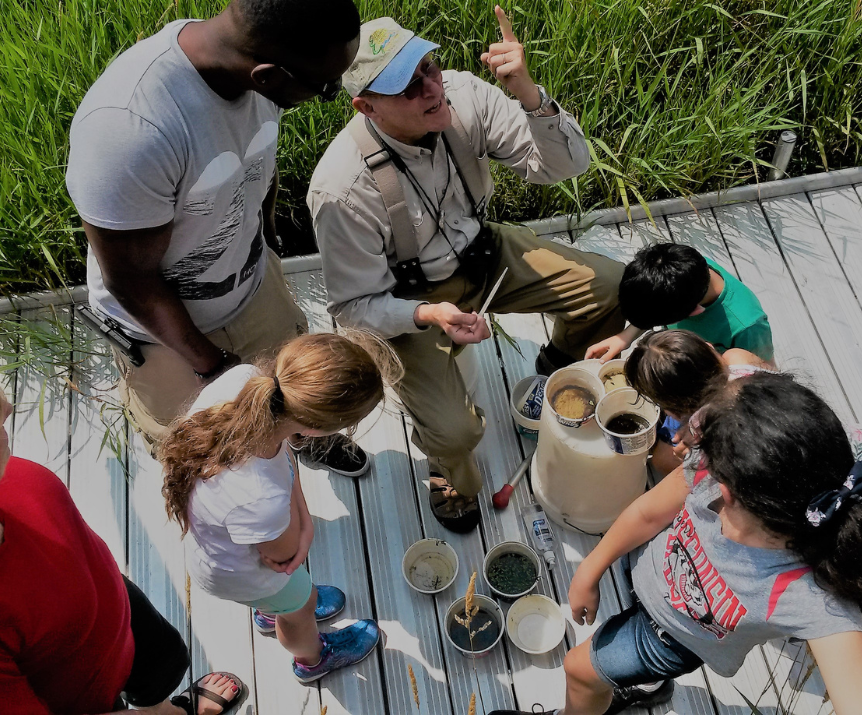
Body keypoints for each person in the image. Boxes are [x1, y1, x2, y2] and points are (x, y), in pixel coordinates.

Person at [307, 9, 625, 532]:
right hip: (408, 299)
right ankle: (451, 477)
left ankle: (559, 360)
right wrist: (430, 313)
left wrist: (531, 96)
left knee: (609, 288)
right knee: (455, 432)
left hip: (485, 252)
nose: (431, 88)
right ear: (367, 107)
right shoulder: (341, 189)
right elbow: (354, 310)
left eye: (428, 67)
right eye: (407, 88)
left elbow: (561, 168)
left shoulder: (464, 94)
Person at [66, 0, 369, 476]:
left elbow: (255, 161)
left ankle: (304, 436)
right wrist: (214, 367)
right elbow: (133, 283)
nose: (331, 92)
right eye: (327, 87)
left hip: (251, 282)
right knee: (206, 448)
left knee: (299, 389)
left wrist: (266, 240)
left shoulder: (253, 71)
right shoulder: (130, 130)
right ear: (268, 75)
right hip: (167, 335)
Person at [498, 372, 862, 715]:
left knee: (578, 670)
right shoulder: (729, 462)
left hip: (670, 639)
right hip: (652, 567)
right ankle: (648, 686)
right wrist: (590, 568)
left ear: (730, 492)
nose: (687, 451)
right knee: (622, 616)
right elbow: (648, 515)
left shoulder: (809, 595)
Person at [0, 341, 243, 715]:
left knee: (160, 666)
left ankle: (165, 708)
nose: (8, 408)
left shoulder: (2, 476)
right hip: (86, 699)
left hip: (113, 612)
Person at [158, 333, 401, 683]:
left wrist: (300, 517)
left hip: (222, 549)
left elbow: (281, 463)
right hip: (247, 573)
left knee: (292, 598)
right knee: (301, 609)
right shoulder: (261, 498)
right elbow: (286, 557)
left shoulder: (246, 383)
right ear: (316, 429)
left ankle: (270, 613)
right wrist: (306, 528)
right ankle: (312, 659)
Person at [586, 243, 775, 366]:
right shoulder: (680, 268)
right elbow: (654, 307)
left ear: (695, 312)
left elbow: (766, 369)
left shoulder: (747, 326)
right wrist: (624, 337)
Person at [624, 329, 770, 474]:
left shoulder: (707, 446)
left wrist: (692, 458)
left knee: (662, 461)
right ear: (709, 348)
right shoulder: (739, 358)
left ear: (673, 413)